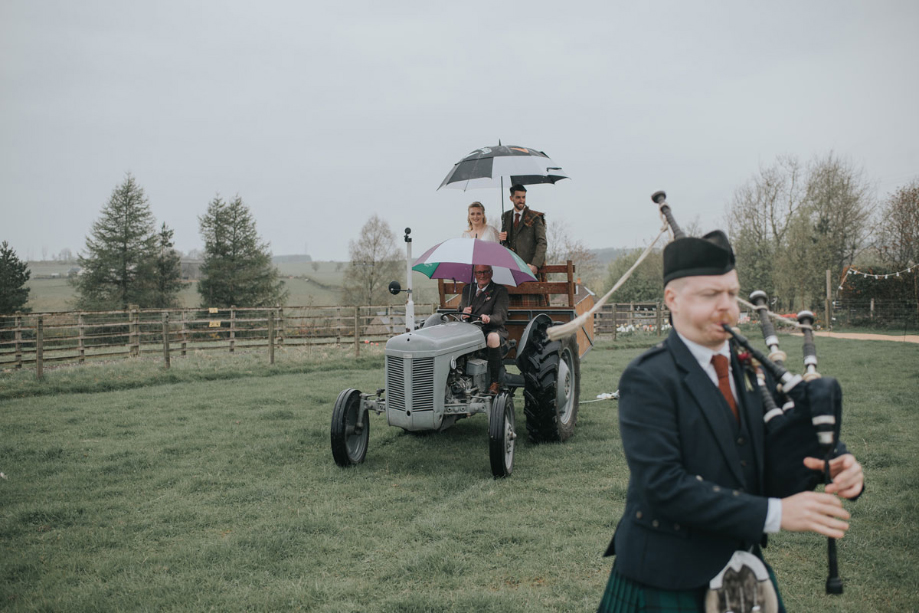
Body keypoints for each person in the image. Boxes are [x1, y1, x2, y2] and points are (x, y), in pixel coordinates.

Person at [598, 230, 864, 613]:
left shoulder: (749, 364)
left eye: (731, 293)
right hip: (665, 573)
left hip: (739, 564)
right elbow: (665, 487)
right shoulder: (648, 378)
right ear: (672, 298)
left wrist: (836, 462)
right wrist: (776, 513)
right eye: (710, 295)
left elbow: (783, 438)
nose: (727, 307)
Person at [459, 264, 509, 395]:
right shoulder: (467, 290)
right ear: (474, 274)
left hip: (491, 330)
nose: (482, 275)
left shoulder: (499, 291)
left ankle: (495, 382)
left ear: (491, 273)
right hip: (470, 330)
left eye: (485, 272)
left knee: (493, 338)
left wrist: (488, 318)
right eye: (479, 272)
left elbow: (500, 317)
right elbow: (460, 311)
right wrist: (463, 313)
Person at [499, 184, 546, 275]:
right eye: (518, 197)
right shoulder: (505, 216)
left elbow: (542, 242)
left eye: (523, 197)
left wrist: (535, 265)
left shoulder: (535, 217)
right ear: (511, 198)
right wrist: (502, 239)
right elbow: (505, 242)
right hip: (512, 267)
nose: (521, 200)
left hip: (529, 267)